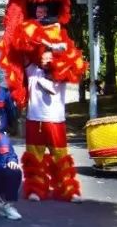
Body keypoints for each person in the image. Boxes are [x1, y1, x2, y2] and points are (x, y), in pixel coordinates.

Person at [22, 51, 81, 202]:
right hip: (35, 121)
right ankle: (36, 189)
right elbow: (24, 51)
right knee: (35, 158)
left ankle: (69, 190)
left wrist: (58, 46)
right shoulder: (33, 71)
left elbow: (74, 62)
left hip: (56, 122)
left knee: (61, 158)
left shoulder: (63, 72)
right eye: (44, 57)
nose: (47, 60)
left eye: (50, 58)